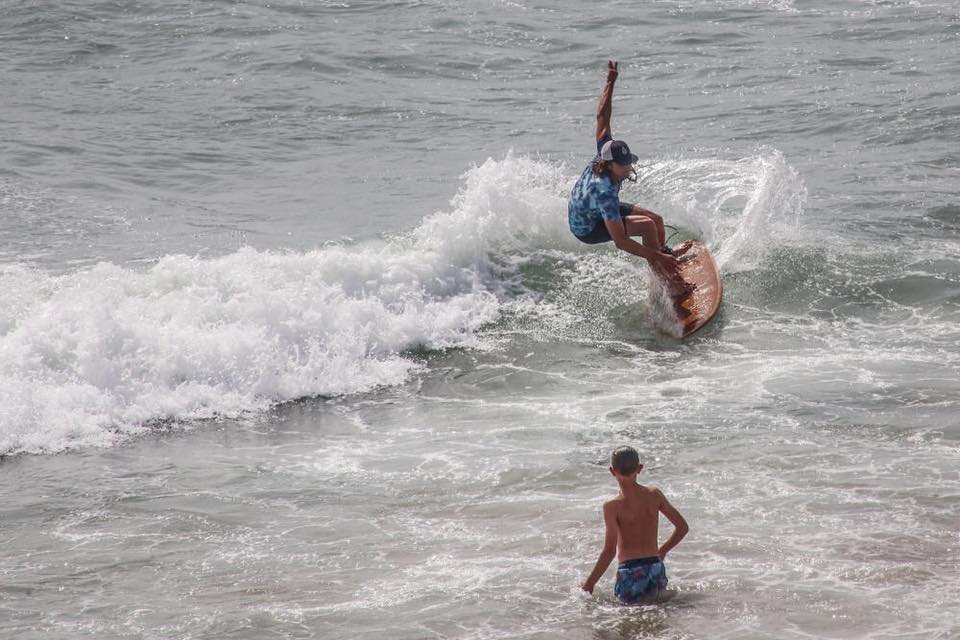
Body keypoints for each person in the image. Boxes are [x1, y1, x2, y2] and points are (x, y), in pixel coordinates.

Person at [567, 61, 694, 303]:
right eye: (623, 165)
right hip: (587, 227)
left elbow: (601, 116)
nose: (628, 168)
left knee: (656, 220)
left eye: (628, 162)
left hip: (594, 209)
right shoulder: (602, 190)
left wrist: (610, 81)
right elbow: (621, 242)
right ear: (609, 165)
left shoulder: (604, 151)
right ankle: (666, 282)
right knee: (646, 226)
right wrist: (656, 257)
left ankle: (663, 263)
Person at [581, 446, 689, 604]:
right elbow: (682, 527)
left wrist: (589, 584)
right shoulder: (654, 495)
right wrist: (663, 551)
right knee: (657, 617)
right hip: (655, 567)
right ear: (639, 468)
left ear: (612, 471)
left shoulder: (612, 506)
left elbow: (609, 551)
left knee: (628, 620)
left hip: (630, 571)